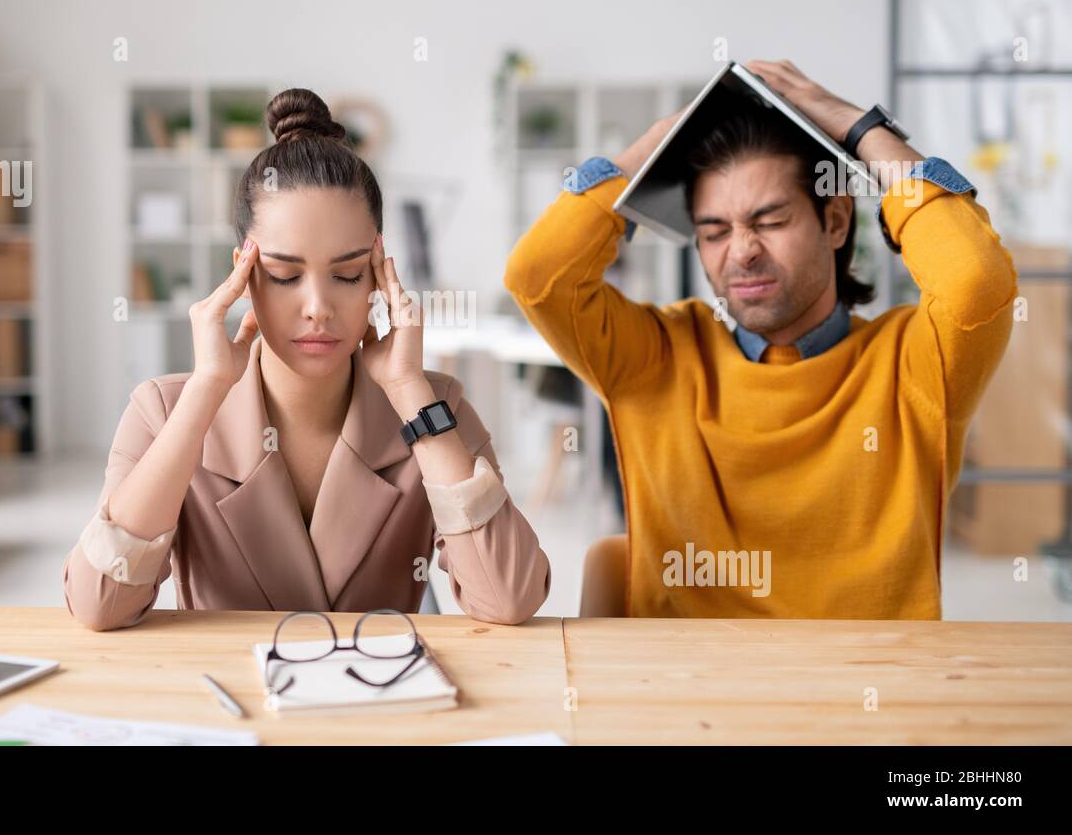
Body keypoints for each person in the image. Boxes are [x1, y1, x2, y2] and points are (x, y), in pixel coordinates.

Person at [504, 59, 1016, 619]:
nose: (741, 251)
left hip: (865, 691)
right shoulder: (656, 358)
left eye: (769, 221)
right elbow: (537, 276)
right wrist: (660, 141)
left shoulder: (914, 366)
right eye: (714, 231)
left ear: (836, 222)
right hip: (684, 692)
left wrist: (860, 127)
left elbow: (974, 280)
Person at [64, 88, 550, 630]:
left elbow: (511, 598)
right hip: (228, 705)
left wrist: (410, 387)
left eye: (345, 275)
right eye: (284, 276)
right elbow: (99, 604)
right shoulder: (161, 409)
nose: (317, 308)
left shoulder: (435, 408)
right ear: (243, 276)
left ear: (378, 276)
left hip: (379, 701)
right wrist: (205, 393)